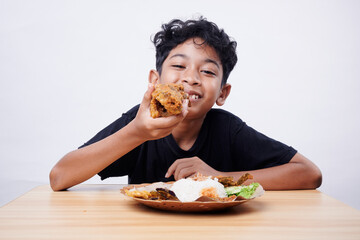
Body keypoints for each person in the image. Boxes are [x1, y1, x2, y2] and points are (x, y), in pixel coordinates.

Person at [50, 17, 322, 191]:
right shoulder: (137, 122)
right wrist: (138, 132)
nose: (191, 78)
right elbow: (60, 177)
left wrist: (219, 177)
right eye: (179, 65)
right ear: (155, 81)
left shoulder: (227, 130)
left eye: (208, 72)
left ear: (222, 93)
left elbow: (309, 174)